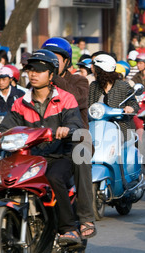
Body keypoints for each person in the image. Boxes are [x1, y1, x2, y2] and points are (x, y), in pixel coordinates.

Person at [0, 50, 85, 244]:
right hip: (30, 158)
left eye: (40, 70)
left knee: (54, 178)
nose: (34, 74)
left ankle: (68, 228)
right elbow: (6, 127)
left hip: (60, 155)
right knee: (7, 181)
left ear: (51, 75)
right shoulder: (21, 103)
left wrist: (67, 129)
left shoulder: (66, 98)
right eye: (30, 69)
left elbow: (75, 125)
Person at [41, 37, 96, 239]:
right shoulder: (38, 85)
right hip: (46, 141)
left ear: (67, 60)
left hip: (76, 139)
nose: (51, 62)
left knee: (81, 156)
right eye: (47, 59)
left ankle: (85, 217)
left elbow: (77, 97)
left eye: (55, 58)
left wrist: (52, 77)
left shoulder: (78, 80)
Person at [89, 53, 140, 135]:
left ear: (101, 70)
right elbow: (89, 106)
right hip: (98, 130)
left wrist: (131, 108)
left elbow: (134, 103)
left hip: (120, 129)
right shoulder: (94, 86)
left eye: (94, 67)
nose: (92, 69)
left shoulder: (123, 86)